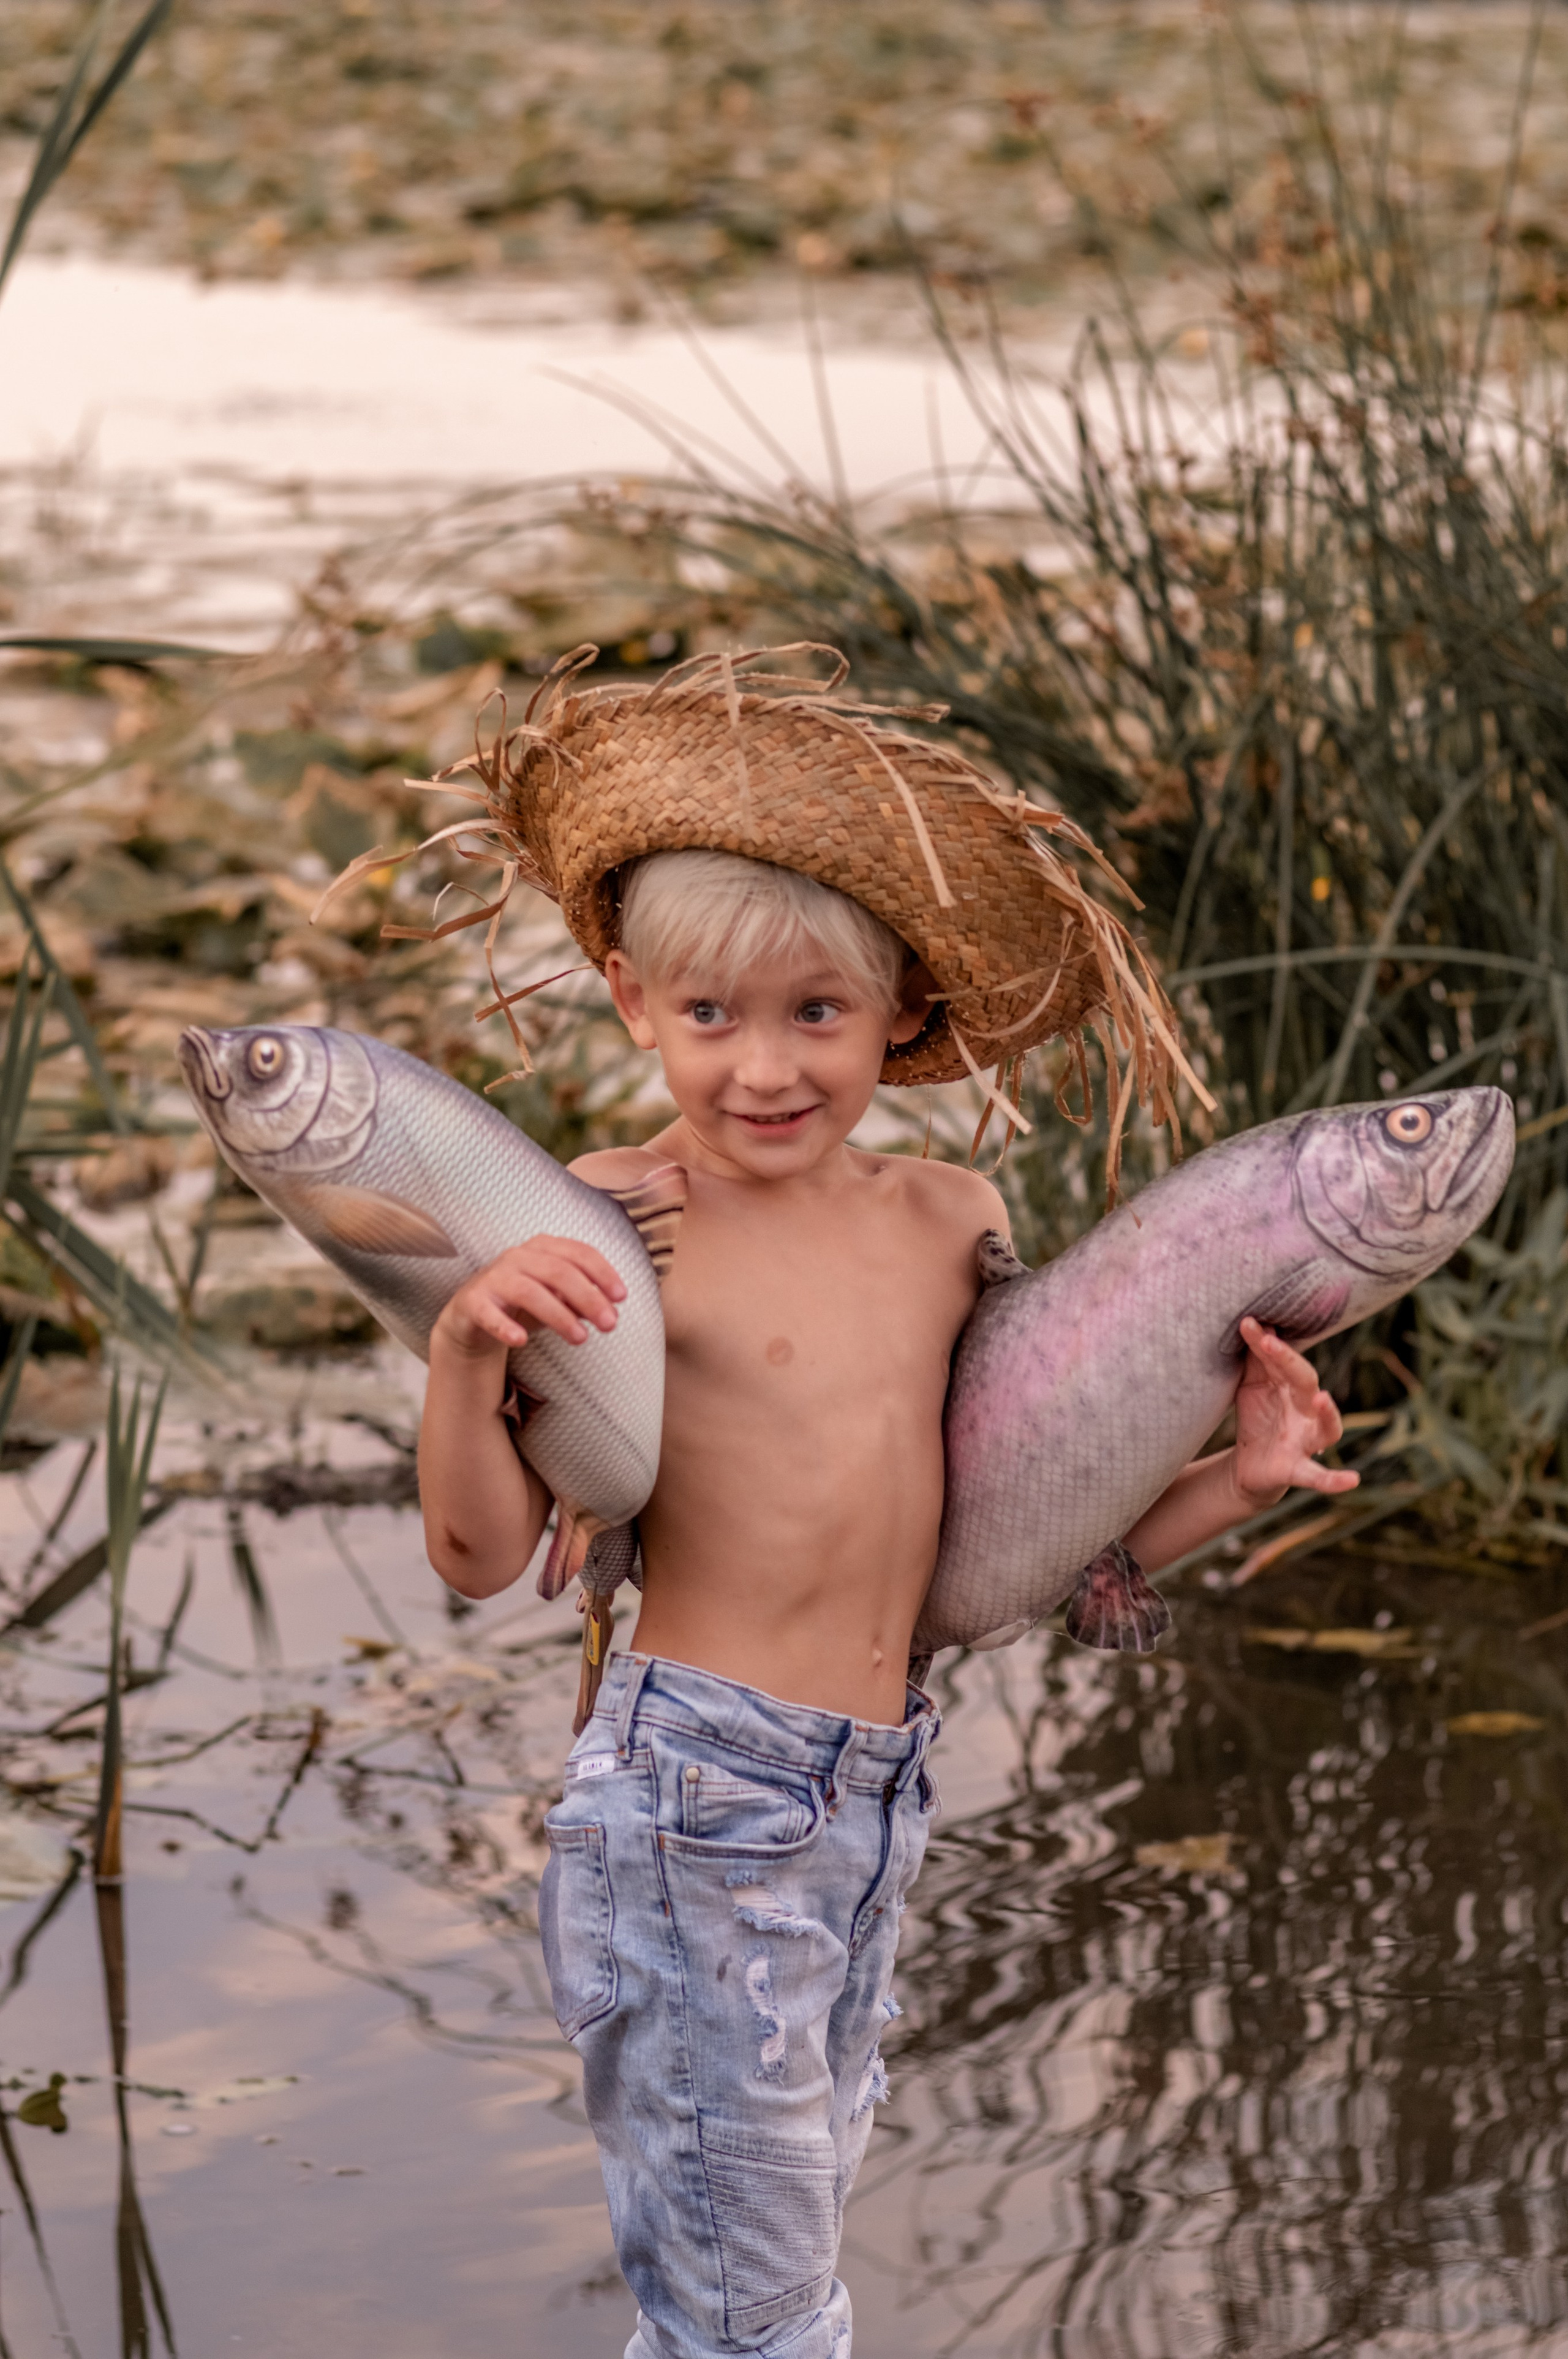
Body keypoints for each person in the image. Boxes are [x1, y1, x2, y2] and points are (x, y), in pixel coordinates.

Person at [416, 649, 1354, 2359]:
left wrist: (1237, 1477)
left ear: (905, 1010)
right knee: (757, 2313)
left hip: (869, 1800)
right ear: (632, 1001)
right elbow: (481, 1553)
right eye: (709, 1016)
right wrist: (468, 1354)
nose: (762, 1068)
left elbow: (1024, 1541)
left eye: (815, 1016)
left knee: (749, 2280)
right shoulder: (606, 1222)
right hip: (694, 1801)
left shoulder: (946, 1223)